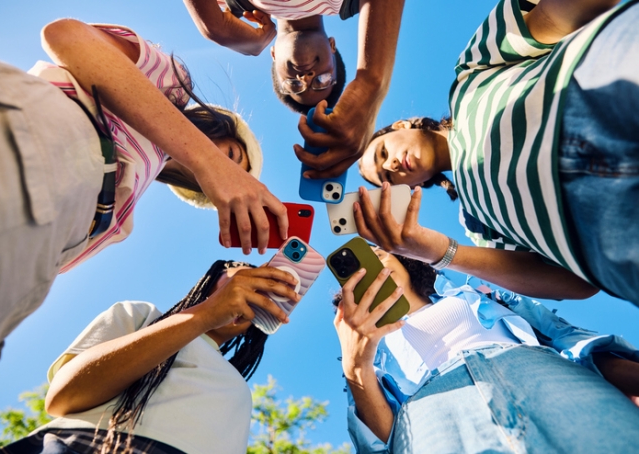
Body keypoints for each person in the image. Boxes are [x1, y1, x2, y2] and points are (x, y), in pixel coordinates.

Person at [0, 18, 284, 369]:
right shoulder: (174, 88)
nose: (228, 174)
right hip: (22, 146)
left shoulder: (126, 213)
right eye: (233, 157)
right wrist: (208, 161)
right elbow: (63, 36)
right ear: (221, 128)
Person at [356, 0, 639, 306]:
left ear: (401, 125)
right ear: (407, 190)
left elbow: (557, 15)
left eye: (383, 152)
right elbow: (575, 285)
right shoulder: (477, 223)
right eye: (386, 176)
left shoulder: (470, 76)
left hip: (616, 92)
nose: (393, 164)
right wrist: (438, 251)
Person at [333, 249, 639, 453]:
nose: (371, 267)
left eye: (378, 255)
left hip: (540, 375)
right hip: (436, 420)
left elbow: (563, 336)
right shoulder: (366, 345)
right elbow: (382, 443)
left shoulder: (477, 293)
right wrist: (356, 368)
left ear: (405, 261)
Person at [0, 260, 299, 454]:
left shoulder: (239, 390)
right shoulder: (142, 315)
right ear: (211, 281)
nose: (253, 292)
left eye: (263, 294)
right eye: (243, 279)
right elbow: (64, 397)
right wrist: (205, 315)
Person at [183, 0, 404, 178]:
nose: (306, 79)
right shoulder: (358, 3)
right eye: (323, 80)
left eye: (294, 86)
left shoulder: (225, 7)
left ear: (273, 56)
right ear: (333, 47)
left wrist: (213, 25)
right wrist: (371, 81)